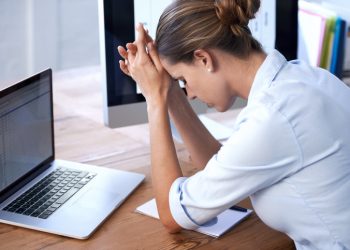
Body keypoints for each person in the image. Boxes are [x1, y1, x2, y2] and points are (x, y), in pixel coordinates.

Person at [117, 0, 350, 249]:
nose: (191, 94)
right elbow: (222, 168)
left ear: (204, 58)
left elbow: (173, 216)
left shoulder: (273, 116)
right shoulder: (305, 79)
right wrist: (170, 94)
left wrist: (155, 100)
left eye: (183, 80)